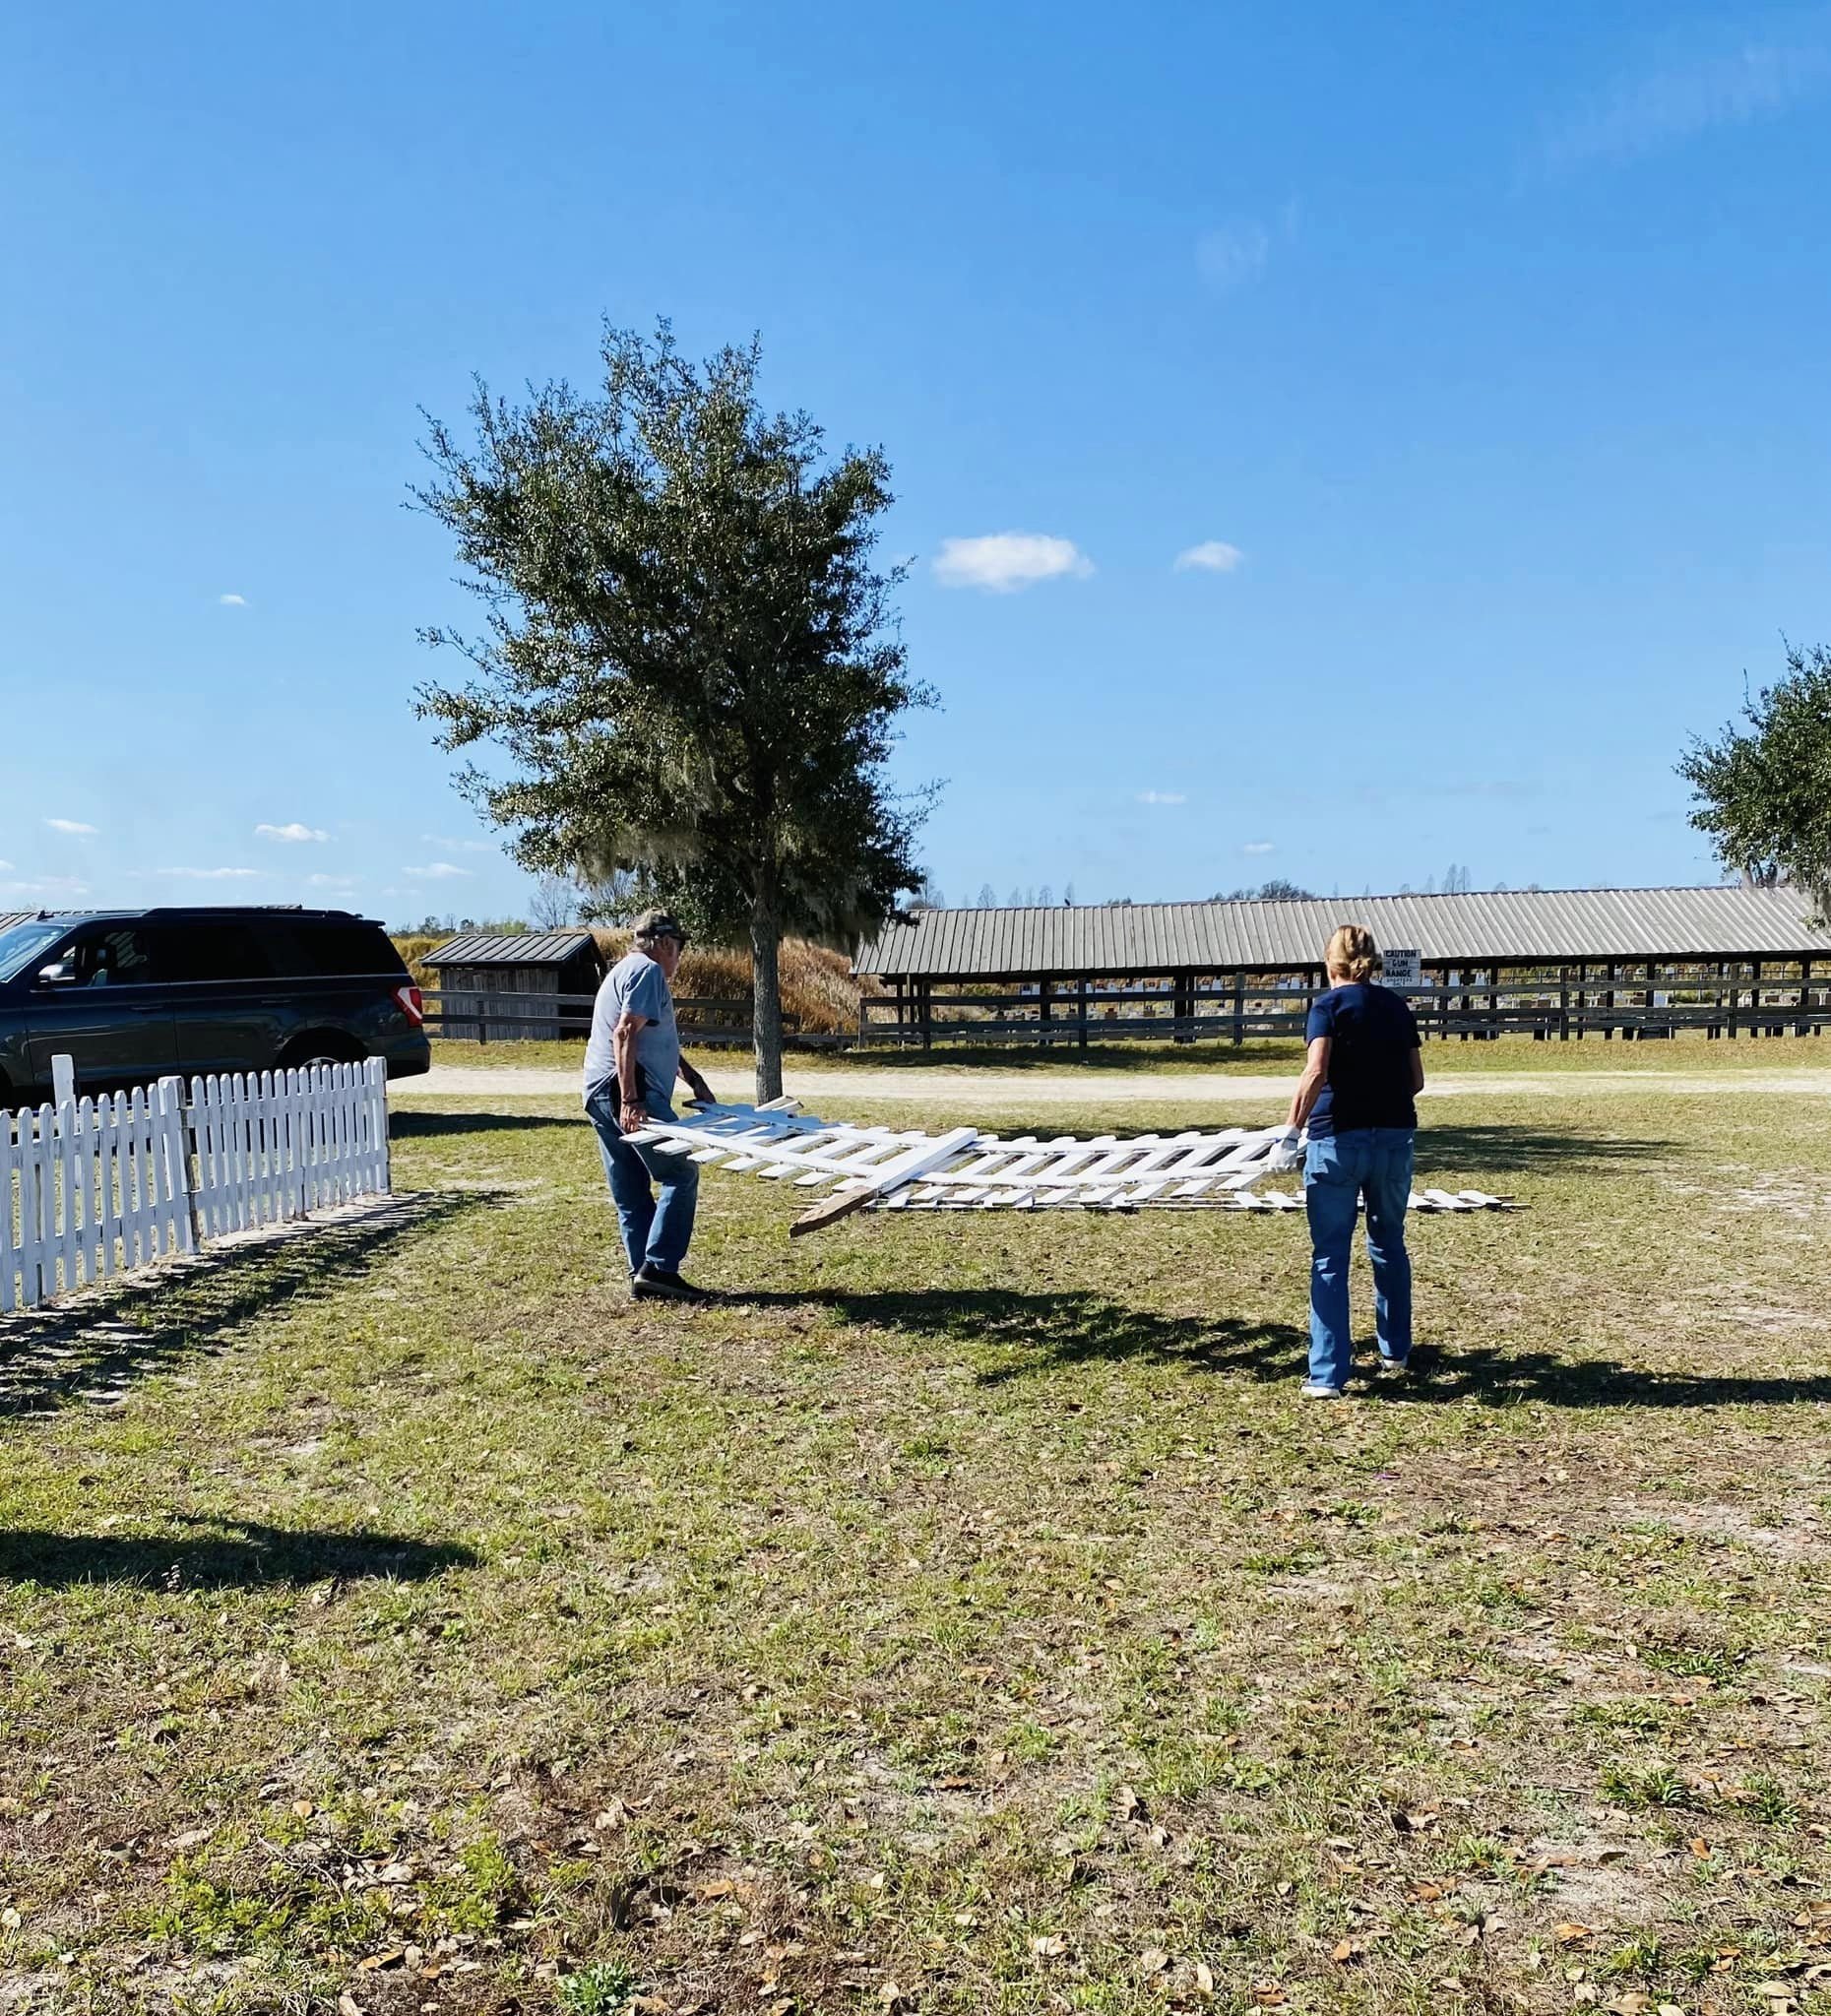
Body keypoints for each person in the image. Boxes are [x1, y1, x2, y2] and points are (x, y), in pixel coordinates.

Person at [1284, 924, 1424, 1397]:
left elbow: (1316, 1070)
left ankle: (1327, 1374)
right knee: (1388, 1244)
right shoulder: (1397, 1006)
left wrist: (1290, 1129)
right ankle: (1395, 1349)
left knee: (1329, 1256)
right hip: (1394, 1138)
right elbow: (1416, 1080)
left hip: (1336, 1140)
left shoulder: (1326, 1007)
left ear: (1330, 965)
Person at [583, 911, 718, 1302]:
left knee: (631, 1190)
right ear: (663, 943)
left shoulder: (623, 970)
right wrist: (631, 1100)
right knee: (680, 1172)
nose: (678, 959)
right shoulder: (648, 971)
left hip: (598, 1091)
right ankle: (658, 1267)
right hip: (628, 1091)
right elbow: (624, 1033)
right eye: (678, 949)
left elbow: (653, 1041)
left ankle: (643, 1273)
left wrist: (693, 1079)